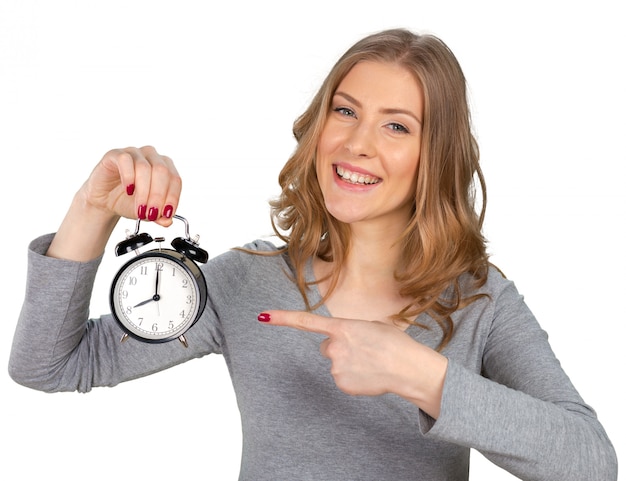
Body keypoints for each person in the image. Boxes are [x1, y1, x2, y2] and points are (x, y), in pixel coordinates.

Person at [8, 28, 617, 480]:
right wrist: (92, 209)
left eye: (397, 126)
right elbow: (50, 365)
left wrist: (420, 375)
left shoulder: (479, 302)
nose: (357, 144)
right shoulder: (247, 282)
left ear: (437, 156)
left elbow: (591, 463)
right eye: (345, 111)